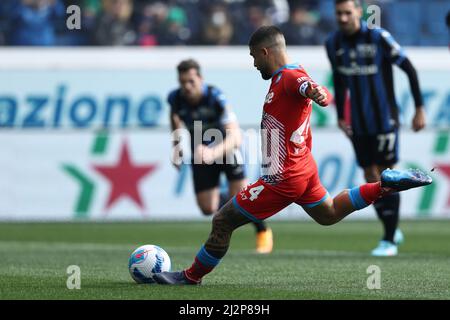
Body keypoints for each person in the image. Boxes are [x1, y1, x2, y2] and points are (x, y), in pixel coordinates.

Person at [153, 26, 432, 285]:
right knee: (329, 213)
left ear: (265, 52)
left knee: (222, 220)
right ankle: (384, 185)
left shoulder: (289, 76)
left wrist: (316, 92)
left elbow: (308, 86)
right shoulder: (284, 76)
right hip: (303, 168)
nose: (253, 64)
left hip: (283, 176)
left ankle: (190, 277)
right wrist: (314, 91)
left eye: (254, 57)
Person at [325, 0, 426, 256]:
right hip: (358, 122)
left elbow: (409, 68)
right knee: (371, 177)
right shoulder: (333, 43)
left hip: (384, 120)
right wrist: (339, 115)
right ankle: (391, 228)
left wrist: (419, 108)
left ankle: (389, 239)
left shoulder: (378, 37)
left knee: (386, 175)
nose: (344, 18)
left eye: (348, 12)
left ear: (359, 12)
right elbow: (338, 79)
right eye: (339, 13)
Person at [168, 59, 274, 254]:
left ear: (200, 78)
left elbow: (236, 137)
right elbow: (174, 118)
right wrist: (177, 146)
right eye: (182, 82)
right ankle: (228, 200)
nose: (187, 87)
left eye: (191, 81)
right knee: (207, 208)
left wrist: (213, 152)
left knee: (243, 201)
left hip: (225, 150)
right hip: (200, 153)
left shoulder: (216, 98)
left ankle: (263, 231)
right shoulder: (175, 98)